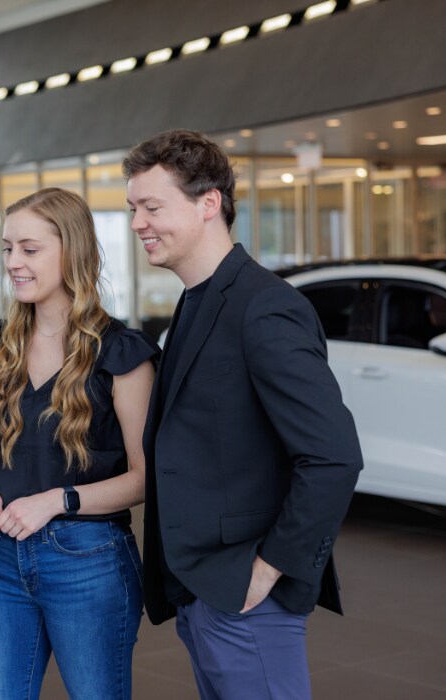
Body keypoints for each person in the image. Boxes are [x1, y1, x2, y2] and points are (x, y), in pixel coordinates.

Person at [123, 129, 362, 699]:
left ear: (210, 203)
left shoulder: (266, 307)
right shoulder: (193, 301)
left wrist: (264, 573)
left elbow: (333, 458)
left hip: (245, 597)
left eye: (152, 207)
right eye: (133, 208)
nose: (137, 223)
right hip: (203, 592)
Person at [0, 187, 158, 699]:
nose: (13, 263)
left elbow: (145, 477)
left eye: (29, 249)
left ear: (71, 251)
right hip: (2, 559)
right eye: (8, 249)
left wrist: (57, 501)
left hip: (90, 562)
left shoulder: (121, 353)